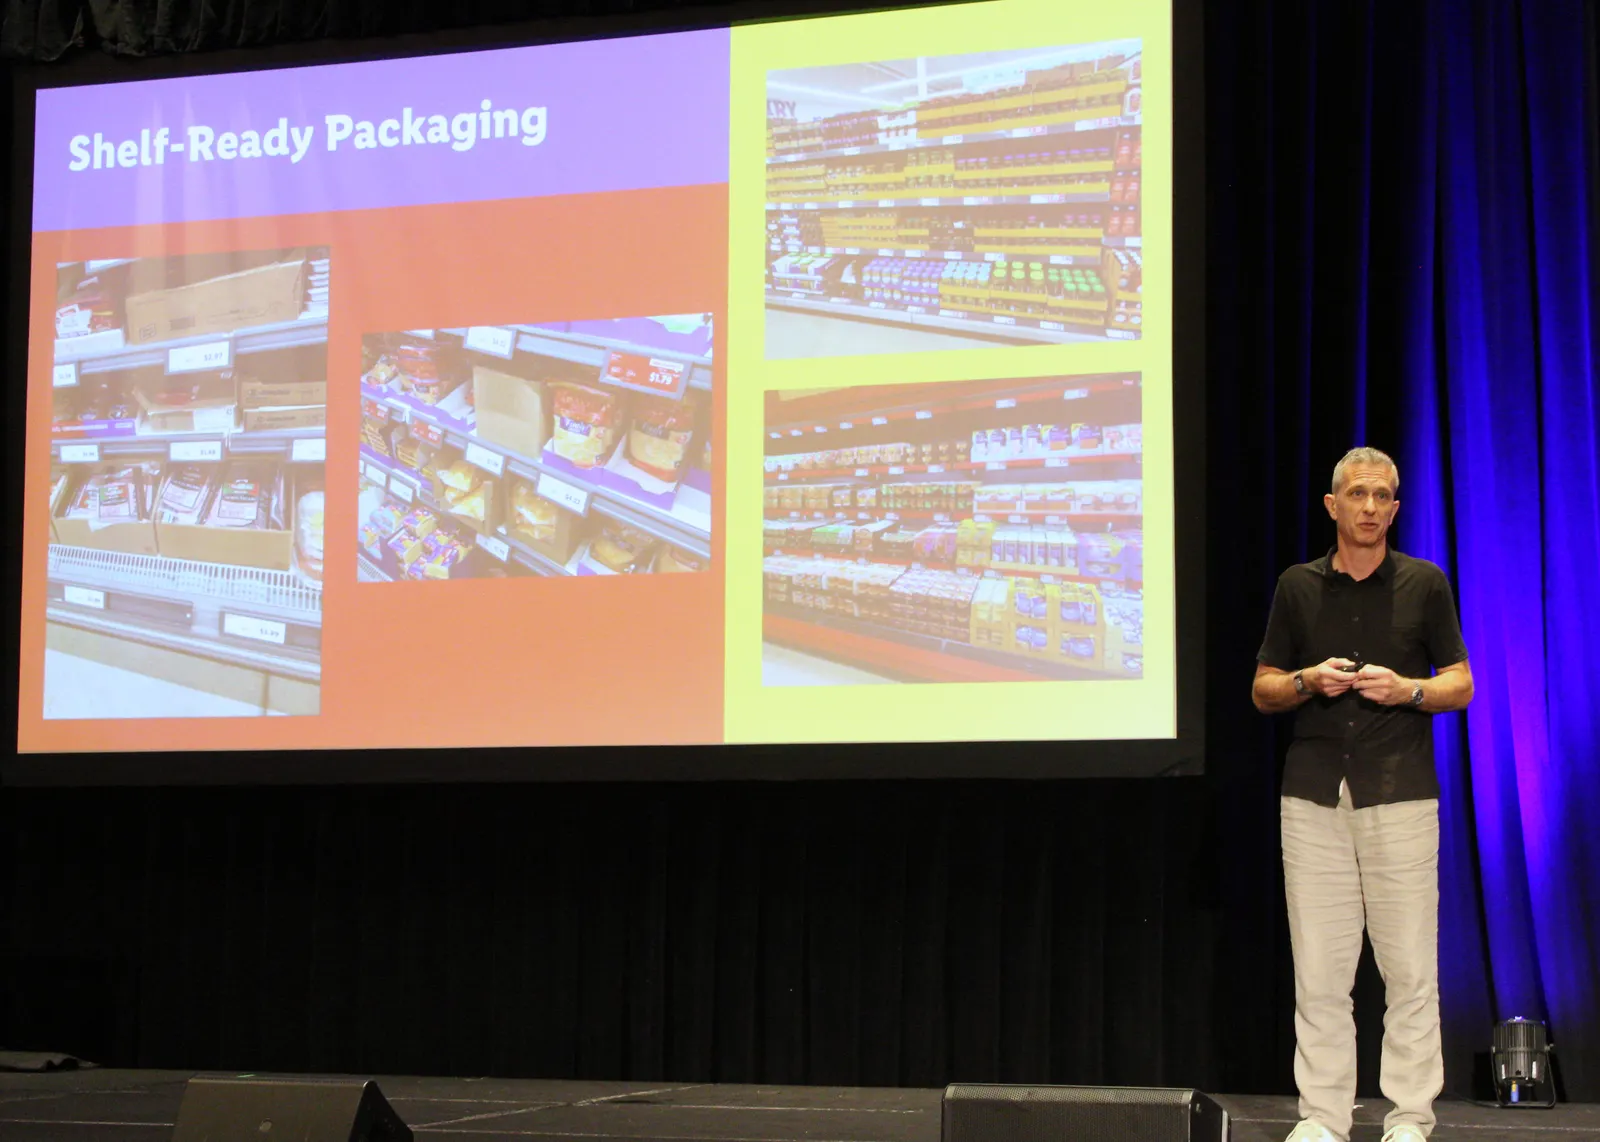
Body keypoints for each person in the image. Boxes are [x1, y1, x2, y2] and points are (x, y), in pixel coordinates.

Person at [1252, 447, 1474, 1142]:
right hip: (1313, 796)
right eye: (1358, 494)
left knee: (1409, 969)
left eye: (1383, 496)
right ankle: (1323, 1118)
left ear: (1396, 508)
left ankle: (1410, 1118)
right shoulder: (1296, 587)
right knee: (1320, 971)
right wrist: (1308, 681)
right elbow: (1263, 689)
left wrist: (1406, 689)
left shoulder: (1424, 584)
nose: (1371, 507)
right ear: (1333, 505)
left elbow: (1460, 682)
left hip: (1399, 793)